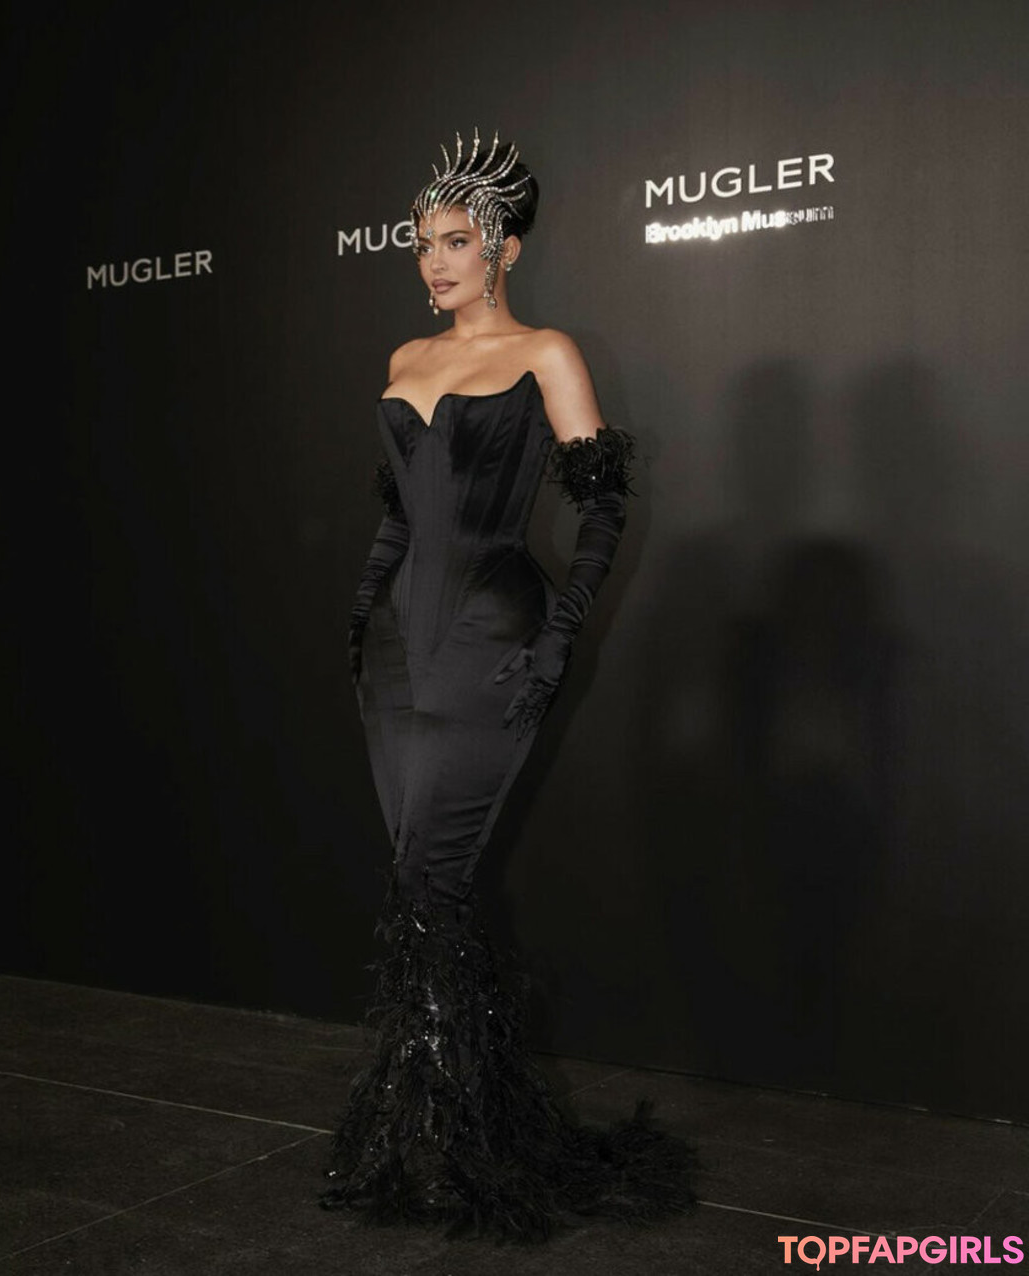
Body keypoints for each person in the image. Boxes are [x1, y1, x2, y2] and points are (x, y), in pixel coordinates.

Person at [321, 130, 693, 1239]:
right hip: (396, 654)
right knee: (417, 885)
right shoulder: (404, 357)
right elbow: (398, 516)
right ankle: (438, 1131)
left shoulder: (547, 353)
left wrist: (561, 635)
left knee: (430, 882)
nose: (432, 261)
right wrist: (361, 607)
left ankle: (452, 1141)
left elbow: (602, 507)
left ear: (504, 249)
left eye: (454, 241)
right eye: (421, 243)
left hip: (495, 638)